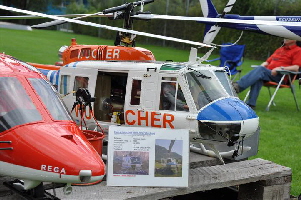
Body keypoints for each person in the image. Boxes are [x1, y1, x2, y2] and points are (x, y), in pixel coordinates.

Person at [232, 38, 301, 108]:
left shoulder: (298, 50)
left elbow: (296, 68)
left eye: (288, 37)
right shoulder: (279, 49)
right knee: (259, 75)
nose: (285, 38)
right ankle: (251, 104)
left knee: (261, 71)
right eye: (285, 37)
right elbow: (267, 62)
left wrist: (280, 68)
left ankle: (237, 87)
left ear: (295, 39)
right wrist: (258, 69)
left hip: (281, 76)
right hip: (267, 74)